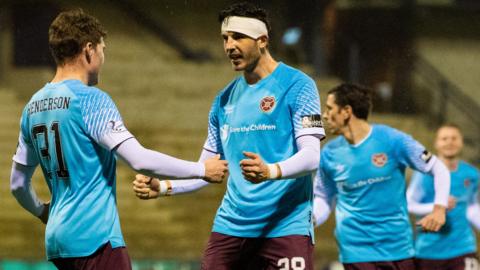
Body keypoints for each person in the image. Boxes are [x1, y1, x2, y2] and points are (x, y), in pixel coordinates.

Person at [9, 9, 228, 270]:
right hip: (94, 240)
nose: (103, 57)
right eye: (103, 49)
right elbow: (139, 159)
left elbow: (18, 184)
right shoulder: (91, 100)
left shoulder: (32, 107)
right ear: (89, 49)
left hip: (58, 242)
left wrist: (42, 211)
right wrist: (202, 170)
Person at [133, 2, 325, 269]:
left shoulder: (299, 85)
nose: (229, 46)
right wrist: (164, 187)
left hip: (285, 228)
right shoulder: (222, 101)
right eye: (225, 38)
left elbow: (311, 157)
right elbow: (207, 170)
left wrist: (270, 171)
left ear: (262, 40)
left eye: (238, 37)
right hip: (231, 228)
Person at [313, 83, 451, 270]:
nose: (325, 115)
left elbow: (438, 169)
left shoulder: (393, 140)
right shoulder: (329, 153)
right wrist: (310, 219)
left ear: (346, 111)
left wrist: (439, 210)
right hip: (356, 253)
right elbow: (323, 196)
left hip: (398, 248)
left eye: (329, 109)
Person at [407, 124, 480, 270]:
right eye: (444, 138)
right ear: (436, 143)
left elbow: (472, 206)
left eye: (454, 138)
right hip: (428, 250)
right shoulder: (424, 174)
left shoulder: (472, 174)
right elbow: (409, 205)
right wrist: (438, 205)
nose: (449, 142)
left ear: (461, 142)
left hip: (463, 248)